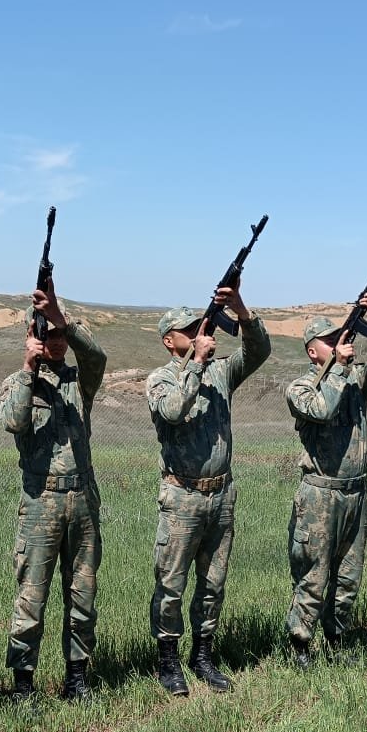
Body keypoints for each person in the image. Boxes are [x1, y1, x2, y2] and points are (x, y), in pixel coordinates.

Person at [146, 280, 271, 694]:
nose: (200, 332)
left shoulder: (221, 371)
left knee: (213, 583)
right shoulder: (161, 379)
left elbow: (259, 351)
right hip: (182, 496)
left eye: (201, 325)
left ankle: (203, 656)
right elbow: (173, 410)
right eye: (189, 329)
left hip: (221, 495)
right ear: (169, 340)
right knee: (171, 583)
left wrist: (241, 309)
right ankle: (168, 661)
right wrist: (197, 362)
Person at [0, 286, 107, 701]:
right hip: (40, 502)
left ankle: (77, 679)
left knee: (83, 593)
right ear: (33, 337)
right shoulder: (17, 383)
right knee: (32, 595)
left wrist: (62, 319)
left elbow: (96, 357)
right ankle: (23, 685)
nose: (57, 343)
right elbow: (14, 421)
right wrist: (29, 367)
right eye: (49, 336)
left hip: (82, 500)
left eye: (61, 336)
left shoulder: (80, 382)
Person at [285, 292, 367, 665]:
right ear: (312, 352)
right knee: (313, 574)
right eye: (329, 341)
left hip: (356, 493)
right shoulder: (300, 388)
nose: (339, 344)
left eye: (340, 337)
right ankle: (300, 645)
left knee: (348, 575)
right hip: (320, 494)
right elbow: (322, 408)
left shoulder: (353, 379)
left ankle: (337, 640)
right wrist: (338, 368)